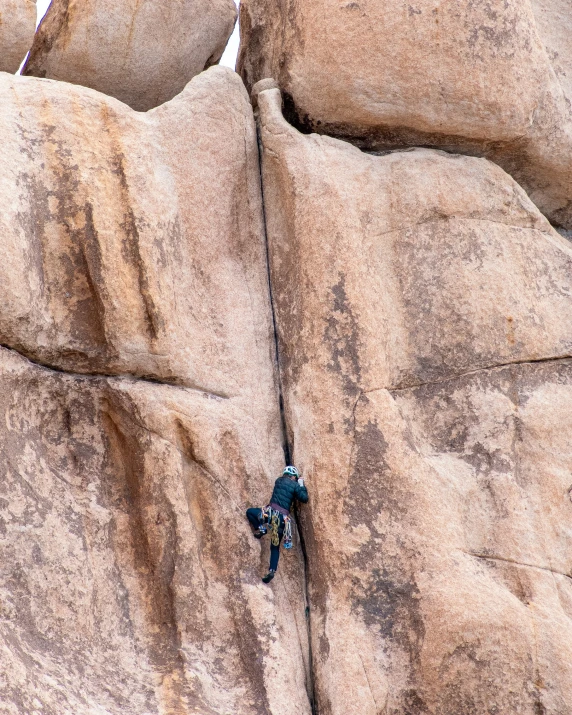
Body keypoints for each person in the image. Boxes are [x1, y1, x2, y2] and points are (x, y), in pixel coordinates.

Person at [246, 466, 309, 583]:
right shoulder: (295, 485)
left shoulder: (278, 481)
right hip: (282, 520)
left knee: (250, 512)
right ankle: (272, 571)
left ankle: (260, 528)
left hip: (270, 514)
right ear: (294, 476)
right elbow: (304, 498)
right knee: (274, 547)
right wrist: (300, 483)